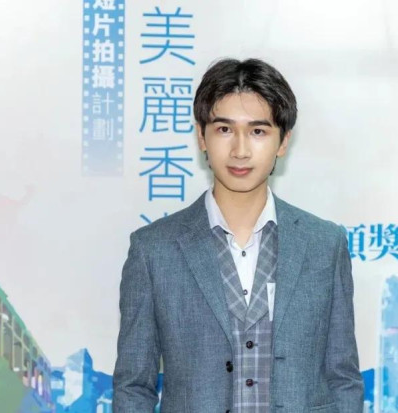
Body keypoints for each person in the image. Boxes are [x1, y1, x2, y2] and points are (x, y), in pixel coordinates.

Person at [113, 58, 363, 413]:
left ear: (283, 141)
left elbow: (343, 378)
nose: (240, 150)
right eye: (224, 129)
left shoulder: (325, 244)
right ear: (201, 136)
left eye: (258, 131)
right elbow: (133, 387)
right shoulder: (153, 250)